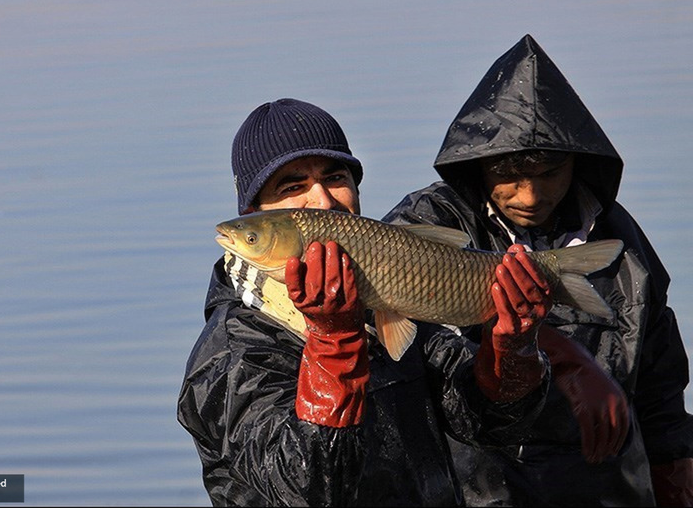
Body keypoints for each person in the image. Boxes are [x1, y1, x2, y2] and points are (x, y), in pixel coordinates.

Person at [177, 97, 554, 506]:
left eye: (335, 177)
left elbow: (492, 427)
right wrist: (333, 344)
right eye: (292, 187)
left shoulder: (388, 295)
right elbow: (307, 488)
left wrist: (511, 352)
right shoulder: (232, 354)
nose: (322, 201)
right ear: (256, 211)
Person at [383, 34, 693, 507]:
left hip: (611, 482)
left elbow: (659, 367)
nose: (530, 196)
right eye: (508, 174)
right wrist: (566, 358)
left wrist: (673, 464)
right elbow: (408, 345)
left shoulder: (617, 234)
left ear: (577, 163)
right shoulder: (427, 222)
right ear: (479, 163)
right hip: (483, 488)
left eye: (549, 173)